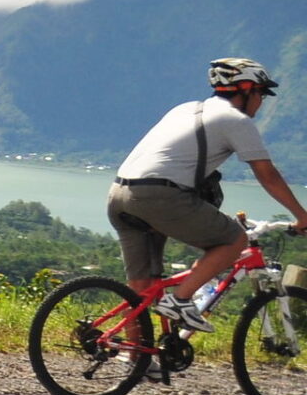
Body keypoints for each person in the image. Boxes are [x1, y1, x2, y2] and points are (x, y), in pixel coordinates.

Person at [108, 58, 306, 333]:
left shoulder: (185, 109)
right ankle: (180, 299)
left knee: (142, 287)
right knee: (234, 239)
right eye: (261, 92)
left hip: (119, 194)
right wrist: (302, 216)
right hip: (159, 196)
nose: (261, 101)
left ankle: (136, 357)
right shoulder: (235, 120)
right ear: (246, 88)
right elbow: (267, 175)